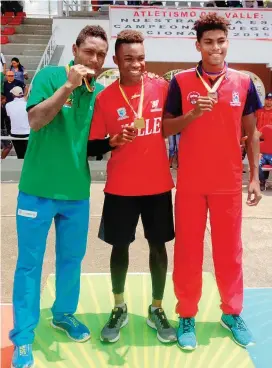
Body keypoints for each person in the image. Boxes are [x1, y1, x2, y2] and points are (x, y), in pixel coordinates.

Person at [9, 25, 109, 368]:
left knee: (71, 261)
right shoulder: (51, 76)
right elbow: (35, 120)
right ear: (76, 50)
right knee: (29, 266)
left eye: (101, 54)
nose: (94, 60)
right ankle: (23, 338)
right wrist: (68, 85)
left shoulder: (97, 91)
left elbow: (90, 143)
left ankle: (63, 314)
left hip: (77, 193)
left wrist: (115, 141)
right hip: (37, 191)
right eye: (89, 52)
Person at [163, 13, 262, 350]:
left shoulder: (243, 82)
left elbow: (252, 132)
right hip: (191, 182)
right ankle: (186, 314)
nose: (215, 47)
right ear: (198, 45)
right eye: (209, 42)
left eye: (220, 41)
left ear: (227, 43)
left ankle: (232, 312)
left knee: (229, 252)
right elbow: (165, 129)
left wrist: (254, 177)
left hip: (228, 183)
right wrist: (192, 115)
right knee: (188, 252)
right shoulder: (180, 82)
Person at [88, 30, 177, 344]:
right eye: (129, 59)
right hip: (121, 187)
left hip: (157, 185)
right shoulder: (105, 98)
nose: (137, 64)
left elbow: (178, 119)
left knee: (158, 246)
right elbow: (95, 142)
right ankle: (119, 306)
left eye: (141, 58)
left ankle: (156, 308)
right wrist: (112, 141)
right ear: (116, 61)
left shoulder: (162, 88)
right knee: (119, 247)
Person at [5, 86, 30, 158]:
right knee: (27, 155)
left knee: (20, 155)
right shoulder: (27, 104)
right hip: (27, 133)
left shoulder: (8, 105)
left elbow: (9, 116)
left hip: (15, 133)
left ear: (13, 95)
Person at [259, 125, 272, 190]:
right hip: (263, 154)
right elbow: (257, 136)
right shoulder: (266, 128)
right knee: (257, 164)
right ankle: (262, 182)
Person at [1, 93, 13, 159]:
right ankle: (1, 159)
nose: (5, 101)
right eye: (4, 100)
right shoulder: (2, 109)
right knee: (8, 146)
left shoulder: (3, 108)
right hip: (2, 129)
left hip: (3, 128)